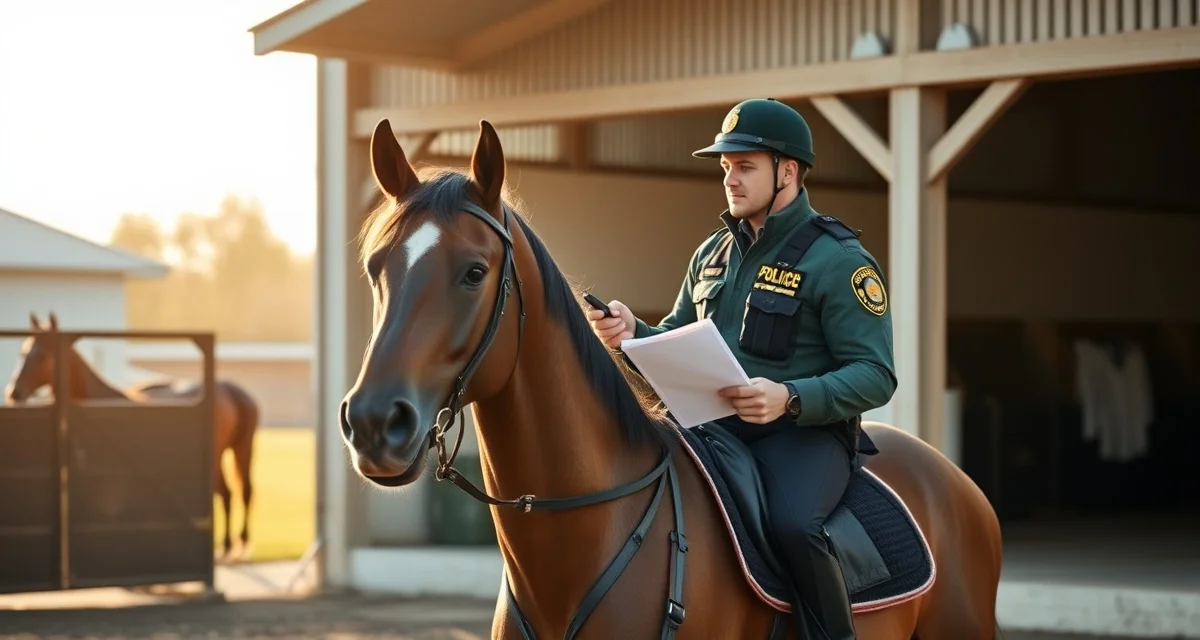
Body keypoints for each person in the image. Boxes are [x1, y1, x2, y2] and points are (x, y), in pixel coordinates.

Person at [587, 98, 896, 640]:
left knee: (794, 525)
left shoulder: (840, 260)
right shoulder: (710, 255)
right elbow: (677, 338)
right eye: (726, 166)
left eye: (745, 166)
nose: (730, 178)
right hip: (709, 429)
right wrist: (632, 333)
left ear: (789, 172)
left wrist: (790, 396)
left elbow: (876, 374)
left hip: (801, 437)